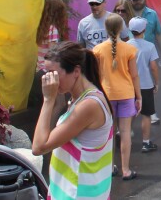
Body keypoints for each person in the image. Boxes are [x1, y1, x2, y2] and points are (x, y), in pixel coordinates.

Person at [32, 41, 114, 198]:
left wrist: (48, 101)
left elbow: (39, 147)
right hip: (73, 190)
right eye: (46, 73)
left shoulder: (88, 105)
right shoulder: (78, 99)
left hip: (79, 193)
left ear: (76, 71)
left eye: (54, 73)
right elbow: (49, 136)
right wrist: (56, 104)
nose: (49, 79)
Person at [93, 14, 141, 181]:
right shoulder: (129, 49)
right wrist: (139, 96)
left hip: (107, 95)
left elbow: (96, 75)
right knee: (125, 132)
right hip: (126, 94)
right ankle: (126, 170)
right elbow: (134, 76)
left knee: (108, 132)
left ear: (105, 29)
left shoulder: (97, 50)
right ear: (122, 28)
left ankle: (110, 167)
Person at [129, 0, 161, 124]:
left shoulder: (152, 14)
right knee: (132, 80)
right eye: (135, 0)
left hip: (149, 51)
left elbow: (159, 33)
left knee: (148, 81)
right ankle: (130, 115)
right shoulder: (127, 13)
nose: (137, 2)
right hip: (131, 52)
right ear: (131, 1)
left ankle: (151, 112)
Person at [30, 0, 70, 111]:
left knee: (49, 105)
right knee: (59, 104)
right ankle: (50, 128)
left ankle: (47, 127)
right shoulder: (53, 30)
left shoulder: (43, 28)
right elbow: (53, 54)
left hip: (40, 70)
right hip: (49, 72)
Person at [128, 17, 160, 154]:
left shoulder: (125, 45)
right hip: (146, 84)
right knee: (146, 114)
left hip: (129, 84)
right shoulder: (150, 46)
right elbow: (153, 67)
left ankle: (125, 137)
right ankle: (146, 143)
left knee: (129, 113)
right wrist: (157, 82)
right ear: (144, 30)